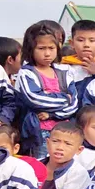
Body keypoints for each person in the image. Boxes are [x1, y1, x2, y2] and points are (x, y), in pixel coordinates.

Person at [15, 24, 79, 158]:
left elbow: (74, 105)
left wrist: (52, 115)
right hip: (39, 132)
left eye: (51, 48)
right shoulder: (27, 73)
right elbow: (36, 99)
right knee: (42, 167)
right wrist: (65, 98)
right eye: (41, 48)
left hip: (64, 132)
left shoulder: (64, 72)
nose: (47, 53)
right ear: (30, 49)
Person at [58, 19, 95, 98]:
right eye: (80, 40)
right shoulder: (63, 68)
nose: (86, 44)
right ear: (72, 43)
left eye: (92, 40)